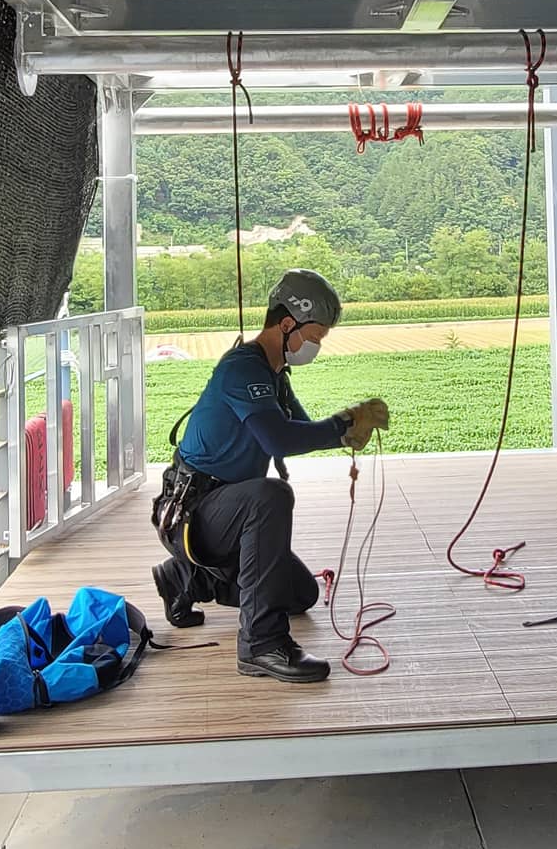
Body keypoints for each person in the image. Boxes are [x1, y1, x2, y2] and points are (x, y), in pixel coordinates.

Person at [151, 270, 389, 685]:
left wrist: (347, 428)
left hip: (224, 516)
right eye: (314, 336)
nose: (316, 346)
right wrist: (341, 424)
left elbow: (300, 431)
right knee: (271, 496)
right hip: (194, 515)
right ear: (287, 324)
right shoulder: (242, 369)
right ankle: (262, 645)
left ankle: (187, 578)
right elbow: (278, 437)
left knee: (301, 594)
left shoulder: (273, 374)